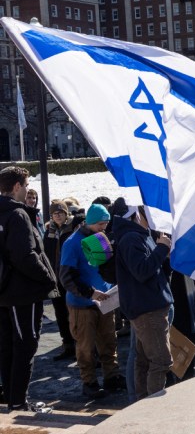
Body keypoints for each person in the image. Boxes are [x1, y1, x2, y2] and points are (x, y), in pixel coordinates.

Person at [0, 166, 58, 413]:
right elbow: (25, 255)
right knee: (25, 344)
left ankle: (13, 401)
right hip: (21, 292)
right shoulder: (17, 215)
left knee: (7, 346)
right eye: (25, 185)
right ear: (16, 187)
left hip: (5, 291)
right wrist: (48, 279)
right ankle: (18, 402)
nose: (27, 190)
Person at [59, 203, 125, 399]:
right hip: (82, 304)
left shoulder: (101, 238)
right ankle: (89, 382)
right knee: (86, 347)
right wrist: (90, 293)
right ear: (90, 222)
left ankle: (111, 377)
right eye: (101, 225)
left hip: (105, 301)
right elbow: (66, 277)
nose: (104, 228)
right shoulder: (72, 243)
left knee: (109, 342)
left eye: (106, 224)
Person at [113, 205, 173, 400]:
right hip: (148, 308)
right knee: (161, 361)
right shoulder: (131, 238)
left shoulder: (137, 234)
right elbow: (142, 270)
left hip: (148, 306)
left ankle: (141, 404)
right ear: (136, 215)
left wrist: (162, 252)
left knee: (145, 360)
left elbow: (150, 268)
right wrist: (162, 248)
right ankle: (153, 410)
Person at [42, 200, 77, 361]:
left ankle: (80, 346)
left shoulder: (73, 229)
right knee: (60, 314)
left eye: (61, 212)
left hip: (70, 277)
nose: (58, 215)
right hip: (54, 279)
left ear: (66, 213)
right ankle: (67, 345)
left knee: (74, 314)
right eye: (55, 213)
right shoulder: (49, 231)